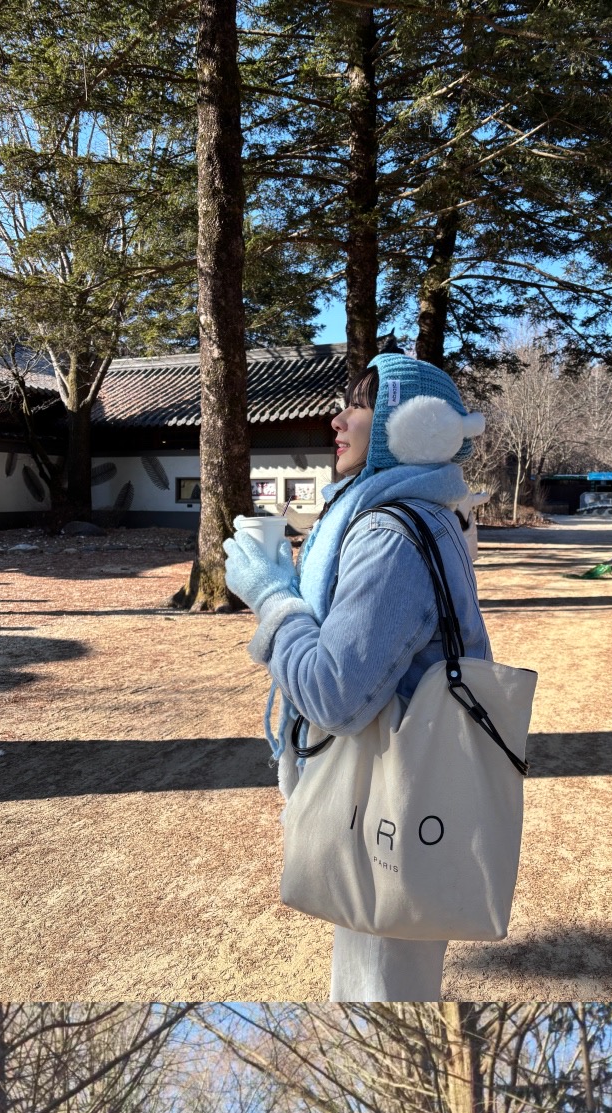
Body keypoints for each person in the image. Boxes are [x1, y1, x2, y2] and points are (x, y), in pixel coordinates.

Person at [223, 351, 489, 1010]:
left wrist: (271, 596)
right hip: (408, 793)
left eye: (359, 406)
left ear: (411, 427)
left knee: (379, 998)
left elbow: (335, 694)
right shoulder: (430, 511)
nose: (336, 420)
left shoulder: (391, 534)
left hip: (390, 809)